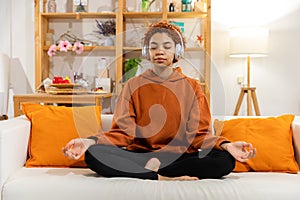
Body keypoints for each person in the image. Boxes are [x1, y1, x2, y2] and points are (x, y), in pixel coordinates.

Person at [62, 20, 256, 181]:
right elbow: (122, 133)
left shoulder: (193, 87)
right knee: (94, 155)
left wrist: (227, 145)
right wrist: (89, 141)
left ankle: (155, 172)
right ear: (147, 52)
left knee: (224, 161)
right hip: (142, 156)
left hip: (180, 157)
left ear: (177, 52)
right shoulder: (132, 85)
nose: (160, 51)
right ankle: (162, 176)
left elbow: (200, 135)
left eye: (167, 46)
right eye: (154, 47)